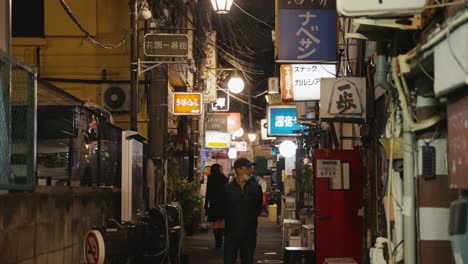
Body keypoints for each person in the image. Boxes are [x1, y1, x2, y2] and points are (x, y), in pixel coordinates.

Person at [223, 158, 263, 264]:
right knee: (229, 260)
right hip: (231, 232)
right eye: (248, 167)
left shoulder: (255, 187)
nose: (251, 170)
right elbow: (223, 208)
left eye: (251, 167)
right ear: (238, 170)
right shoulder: (227, 188)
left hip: (249, 232)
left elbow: (258, 208)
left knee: (247, 260)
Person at [205, 164, 228, 248]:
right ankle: (220, 240)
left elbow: (208, 192)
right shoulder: (224, 178)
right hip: (223, 203)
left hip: (213, 203)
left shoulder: (210, 178)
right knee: (221, 222)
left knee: (215, 222)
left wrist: (206, 204)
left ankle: (217, 242)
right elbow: (227, 192)